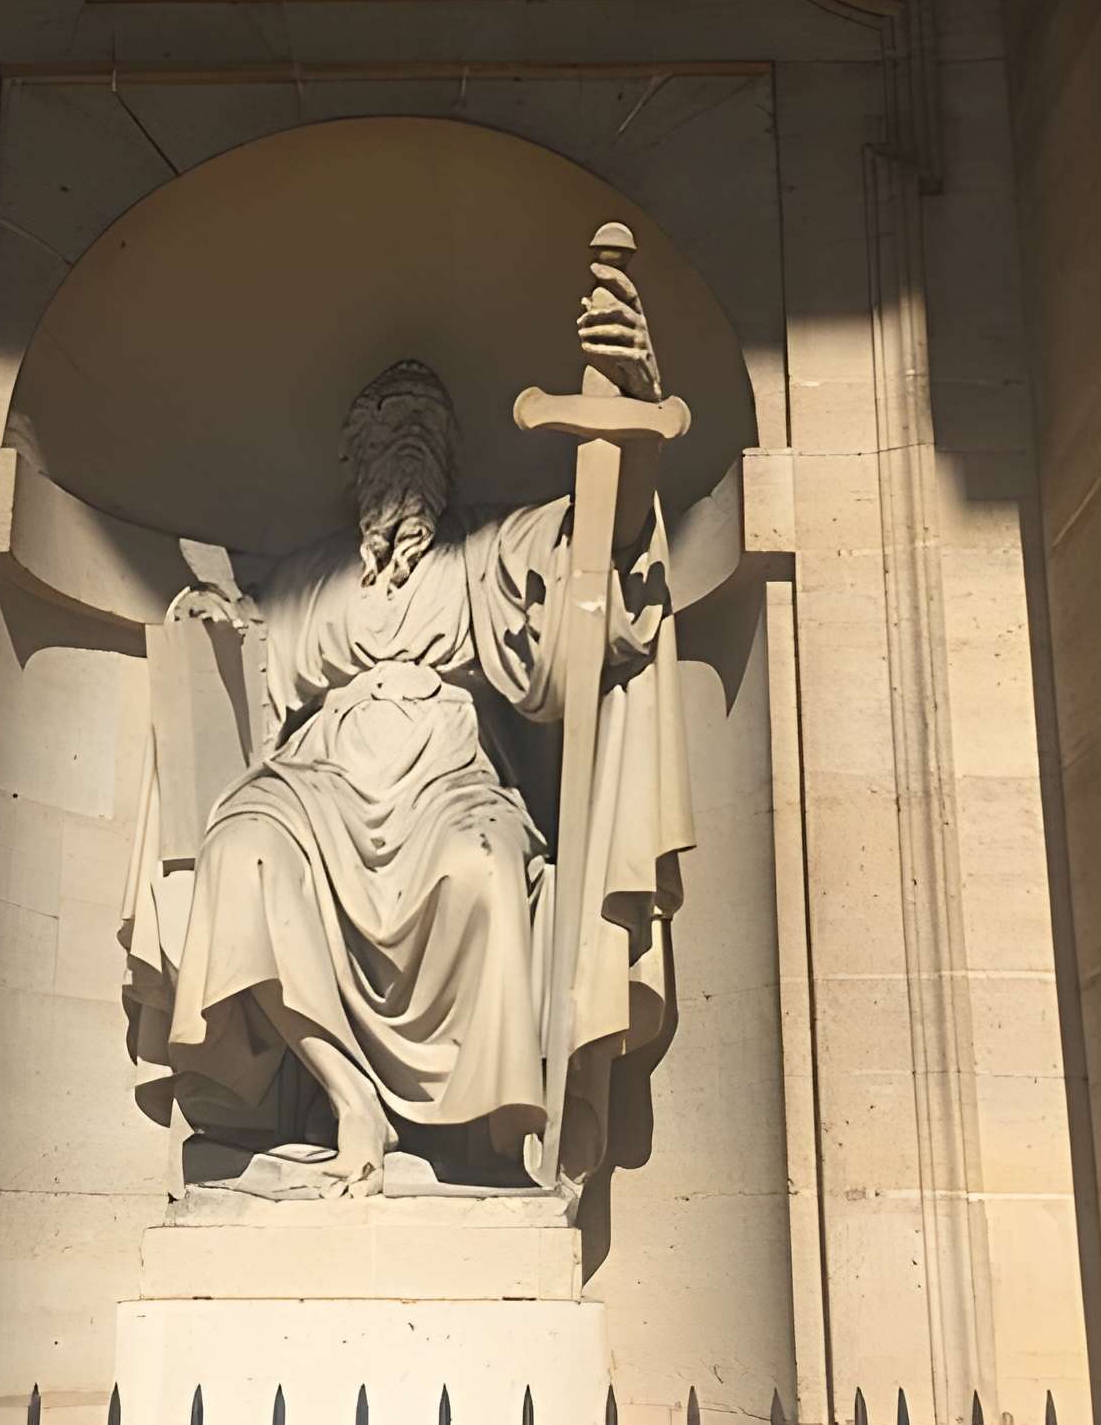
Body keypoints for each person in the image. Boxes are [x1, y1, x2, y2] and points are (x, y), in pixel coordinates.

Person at [123, 257, 691, 1194]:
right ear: (353, 460)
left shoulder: (484, 548)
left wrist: (638, 423)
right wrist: (213, 620)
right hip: (316, 784)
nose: (404, 448)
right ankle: (348, 1097)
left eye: (422, 431)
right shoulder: (308, 576)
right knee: (241, 854)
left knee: (483, 869)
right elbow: (253, 685)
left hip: (446, 782)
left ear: (448, 455)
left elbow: (604, 548)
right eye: (385, 432)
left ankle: (493, 1142)